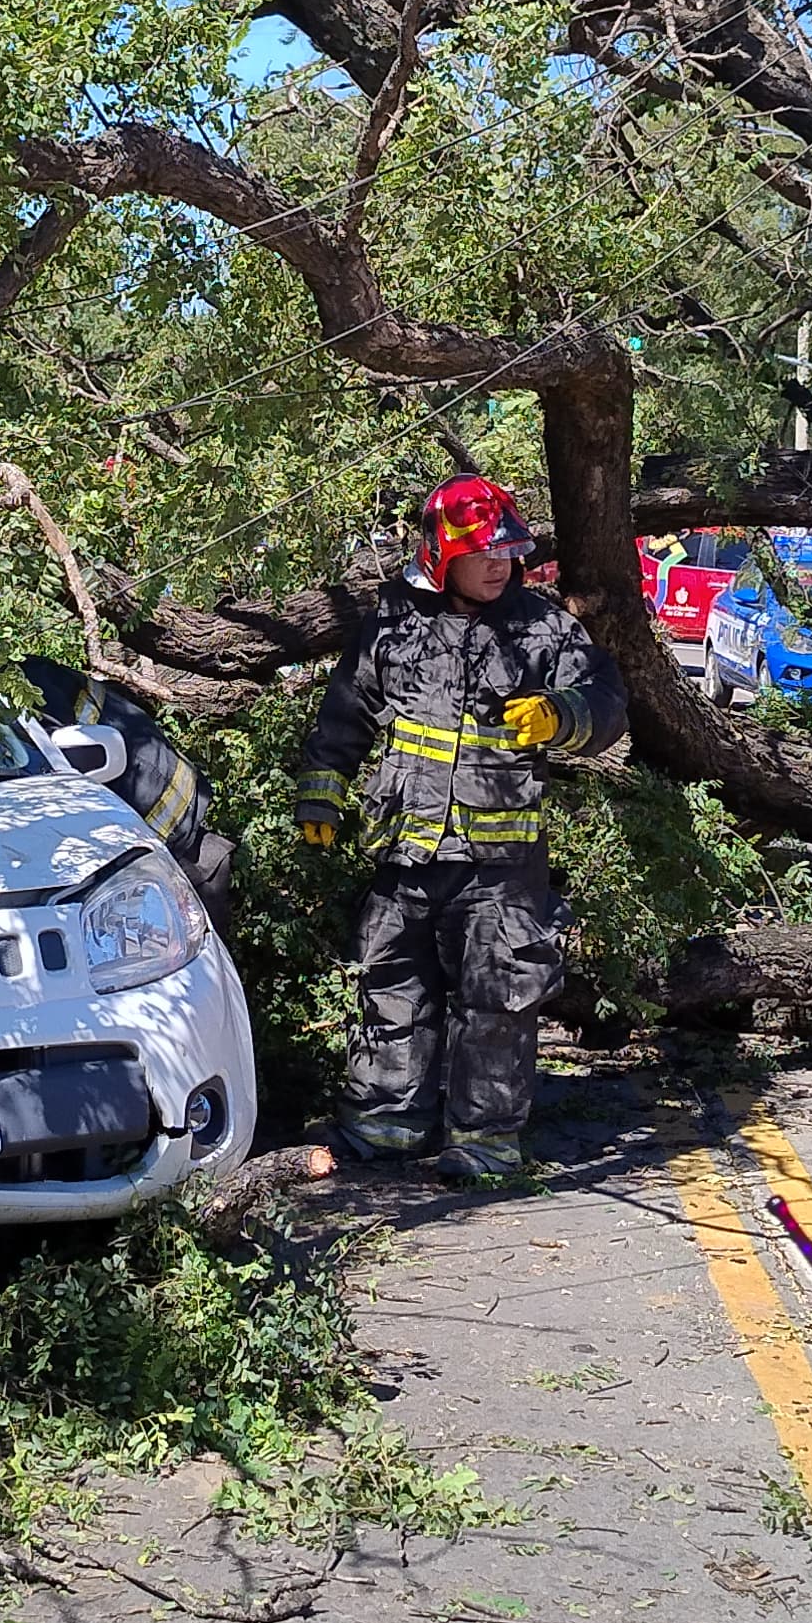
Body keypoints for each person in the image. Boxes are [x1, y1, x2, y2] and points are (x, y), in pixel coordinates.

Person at [296, 473, 626, 1184]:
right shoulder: (393, 624)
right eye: (484, 552)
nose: (500, 563)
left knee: (496, 1001)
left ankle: (483, 1146)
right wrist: (321, 795)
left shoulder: (543, 629)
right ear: (443, 555)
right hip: (407, 849)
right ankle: (386, 1127)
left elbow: (607, 703)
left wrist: (563, 716)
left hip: (499, 867)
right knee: (390, 988)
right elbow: (345, 714)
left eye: (507, 550)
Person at [22, 652, 236, 924]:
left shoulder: (23, 688)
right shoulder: (30, 673)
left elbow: (50, 767)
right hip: (154, 775)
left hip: (149, 792)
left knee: (175, 913)